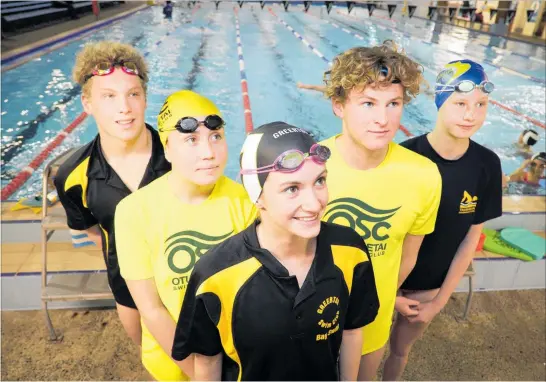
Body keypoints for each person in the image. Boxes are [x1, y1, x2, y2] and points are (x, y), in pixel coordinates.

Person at [172, 122, 380, 381]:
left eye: (320, 181)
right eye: (292, 189)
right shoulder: (215, 275)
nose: (314, 204)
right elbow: (207, 361)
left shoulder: (350, 250)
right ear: (257, 196)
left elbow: (351, 332)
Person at [319, 42, 443, 380]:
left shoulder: (423, 175)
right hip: (308, 319)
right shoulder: (311, 168)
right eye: (368, 103)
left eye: (394, 103)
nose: (383, 119)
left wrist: (379, 297)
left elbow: (407, 256)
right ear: (339, 106)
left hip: (372, 319)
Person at [114, 90, 257, 381]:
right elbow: (151, 309)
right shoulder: (133, 212)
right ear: (166, 149)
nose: (208, 152)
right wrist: (198, 373)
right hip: (172, 359)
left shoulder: (244, 201)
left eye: (216, 136)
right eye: (191, 140)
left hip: (236, 354)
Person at [382, 59, 504, 381]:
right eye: (460, 103)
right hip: (383, 282)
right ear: (439, 101)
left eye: (481, 104)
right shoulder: (403, 157)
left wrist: (438, 302)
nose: (470, 115)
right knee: (362, 349)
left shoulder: (487, 165)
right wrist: (387, 293)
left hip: (428, 290)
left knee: (399, 350)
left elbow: (469, 241)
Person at [54, 41, 170, 346]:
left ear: (145, 98)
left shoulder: (180, 155)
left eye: (133, 94)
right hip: (126, 286)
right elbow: (93, 230)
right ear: (87, 103)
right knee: (155, 363)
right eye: (109, 96)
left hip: (189, 279)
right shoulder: (72, 176)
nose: (124, 108)